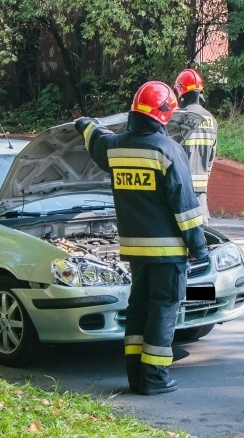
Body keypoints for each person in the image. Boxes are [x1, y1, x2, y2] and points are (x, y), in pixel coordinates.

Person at [75, 81, 209, 395]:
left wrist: (85, 124)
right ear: (163, 115)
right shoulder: (168, 150)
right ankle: (154, 378)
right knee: (163, 309)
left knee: (138, 310)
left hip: (135, 251)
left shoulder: (115, 147)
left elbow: (96, 138)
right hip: (168, 253)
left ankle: (135, 375)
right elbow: (186, 208)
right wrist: (199, 248)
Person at [174, 68, 218, 224]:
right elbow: (211, 159)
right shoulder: (211, 120)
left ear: (181, 92)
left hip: (181, 190)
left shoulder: (179, 118)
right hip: (201, 195)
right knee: (201, 234)